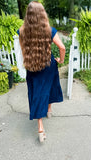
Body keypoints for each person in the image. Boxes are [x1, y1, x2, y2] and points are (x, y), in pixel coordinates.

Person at [18, 1, 65, 142]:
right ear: (43, 14)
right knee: (50, 86)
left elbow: (23, 50)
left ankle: (40, 127)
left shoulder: (22, 31)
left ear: (28, 15)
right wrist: (61, 61)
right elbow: (62, 48)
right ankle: (48, 111)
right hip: (48, 65)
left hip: (32, 67)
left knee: (37, 93)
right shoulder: (49, 30)